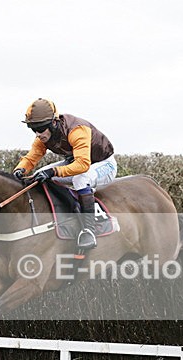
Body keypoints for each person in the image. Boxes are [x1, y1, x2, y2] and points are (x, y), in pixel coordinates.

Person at [13, 98, 117, 249]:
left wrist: (54, 171)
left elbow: (82, 164)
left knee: (81, 179)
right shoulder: (43, 136)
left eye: (41, 128)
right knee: (40, 174)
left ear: (53, 123)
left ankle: (89, 230)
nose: (37, 134)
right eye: (33, 129)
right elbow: (32, 157)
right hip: (76, 162)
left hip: (103, 164)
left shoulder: (77, 130)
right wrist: (20, 169)